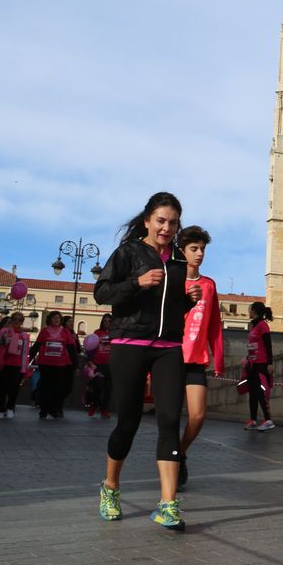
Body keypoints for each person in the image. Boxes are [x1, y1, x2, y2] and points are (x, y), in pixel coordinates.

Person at [93, 191, 197, 531]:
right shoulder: (128, 252)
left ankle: (168, 504)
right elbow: (102, 293)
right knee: (129, 422)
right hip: (129, 342)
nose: (167, 228)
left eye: (173, 223)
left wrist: (189, 300)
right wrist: (136, 282)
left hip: (168, 346)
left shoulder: (180, 262)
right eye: (161, 221)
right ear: (148, 220)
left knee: (169, 420)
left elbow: (173, 310)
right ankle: (110, 486)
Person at [177, 225, 225, 487]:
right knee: (170, 417)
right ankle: (172, 461)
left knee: (197, 416)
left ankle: (181, 451)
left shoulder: (209, 285)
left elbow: (215, 325)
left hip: (196, 360)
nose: (199, 254)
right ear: (182, 251)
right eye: (194, 249)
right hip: (170, 358)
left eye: (202, 249)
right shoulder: (172, 281)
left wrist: (219, 359)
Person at [29, 311, 78, 419]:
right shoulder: (44, 331)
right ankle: (44, 410)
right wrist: (28, 359)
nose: (56, 320)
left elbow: (71, 349)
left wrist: (75, 364)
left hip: (60, 364)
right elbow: (36, 346)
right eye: (54, 318)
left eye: (58, 318)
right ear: (49, 319)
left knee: (58, 388)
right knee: (45, 387)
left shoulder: (65, 332)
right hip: (45, 363)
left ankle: (55, 409)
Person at [0, 312, 30, 419]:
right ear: (11, 320)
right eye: (15, 319)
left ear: (22, 322)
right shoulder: (4, 331)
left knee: (14, 388)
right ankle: (1, 408)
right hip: (3, 363)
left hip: (16, 365)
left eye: (20, 320)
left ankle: (10, 408)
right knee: (2, 388)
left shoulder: (24, 336)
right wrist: (2, 340)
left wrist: (24, 369)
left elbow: (25, 353)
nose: (17, 322)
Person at [244, 301, 275, 431]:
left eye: (250, 309)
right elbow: (252, 345)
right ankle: (253, 420)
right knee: (253, 393)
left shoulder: (263, 325)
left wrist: (270, 363)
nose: (248, 312)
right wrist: (247, 359)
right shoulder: (253, 325)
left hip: (262, 364)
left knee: (261, 392)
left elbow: (268, 345)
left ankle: (268, 420)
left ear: (255, 311)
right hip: (252, 364)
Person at [88, 314, 114, 418]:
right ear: (102, 322)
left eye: (109, 321)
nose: (107, 323)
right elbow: (90, 347)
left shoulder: (115, 333)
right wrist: (90, 361)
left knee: (108, 388)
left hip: (111, 365)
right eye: (105, 321)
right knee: (98, 387)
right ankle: (94, 405)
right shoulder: (97, 333)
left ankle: (104, 410)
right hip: (98, 364)